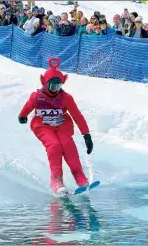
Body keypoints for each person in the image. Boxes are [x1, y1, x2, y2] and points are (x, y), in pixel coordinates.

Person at [18, 57, 93, 195]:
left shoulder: (66, 98)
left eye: (58, 86)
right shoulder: (36, 97)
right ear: (44, 82)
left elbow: (77, 115)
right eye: (52, 86)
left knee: (67, 144)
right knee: (54, 145)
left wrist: (86, 135)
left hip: (62, 124)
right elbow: (28, 107)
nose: (55, 90)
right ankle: (56, 179)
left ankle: (79, 176)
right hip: (43, 125)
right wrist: (22, 116)